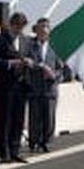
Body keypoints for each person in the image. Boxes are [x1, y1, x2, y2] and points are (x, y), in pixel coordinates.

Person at [0, 11, 31, 163]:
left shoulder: (25, 40)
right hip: (6, 84)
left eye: (22, 26)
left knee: (18, 119)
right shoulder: (1, 40)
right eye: (17, 26)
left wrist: (29, 62)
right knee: (5, 118)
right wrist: (10, 63)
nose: (19, 29)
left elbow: (32, 56)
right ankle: (4, 152)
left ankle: (15, 150)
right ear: (12, 25)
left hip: (21, 84)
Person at [26, 18, 63, 153]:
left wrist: (54, 75)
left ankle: (46, 142)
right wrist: (39, 66)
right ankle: (34, 142)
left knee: (49, 117)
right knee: (34, 117)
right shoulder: (30, 46)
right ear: (36, 29)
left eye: (46, 27)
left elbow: (61, 69)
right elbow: (27, 62)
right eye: (41, 27)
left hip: (50, 88)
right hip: (35, 87)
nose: (43, 29)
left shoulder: (55, 47)